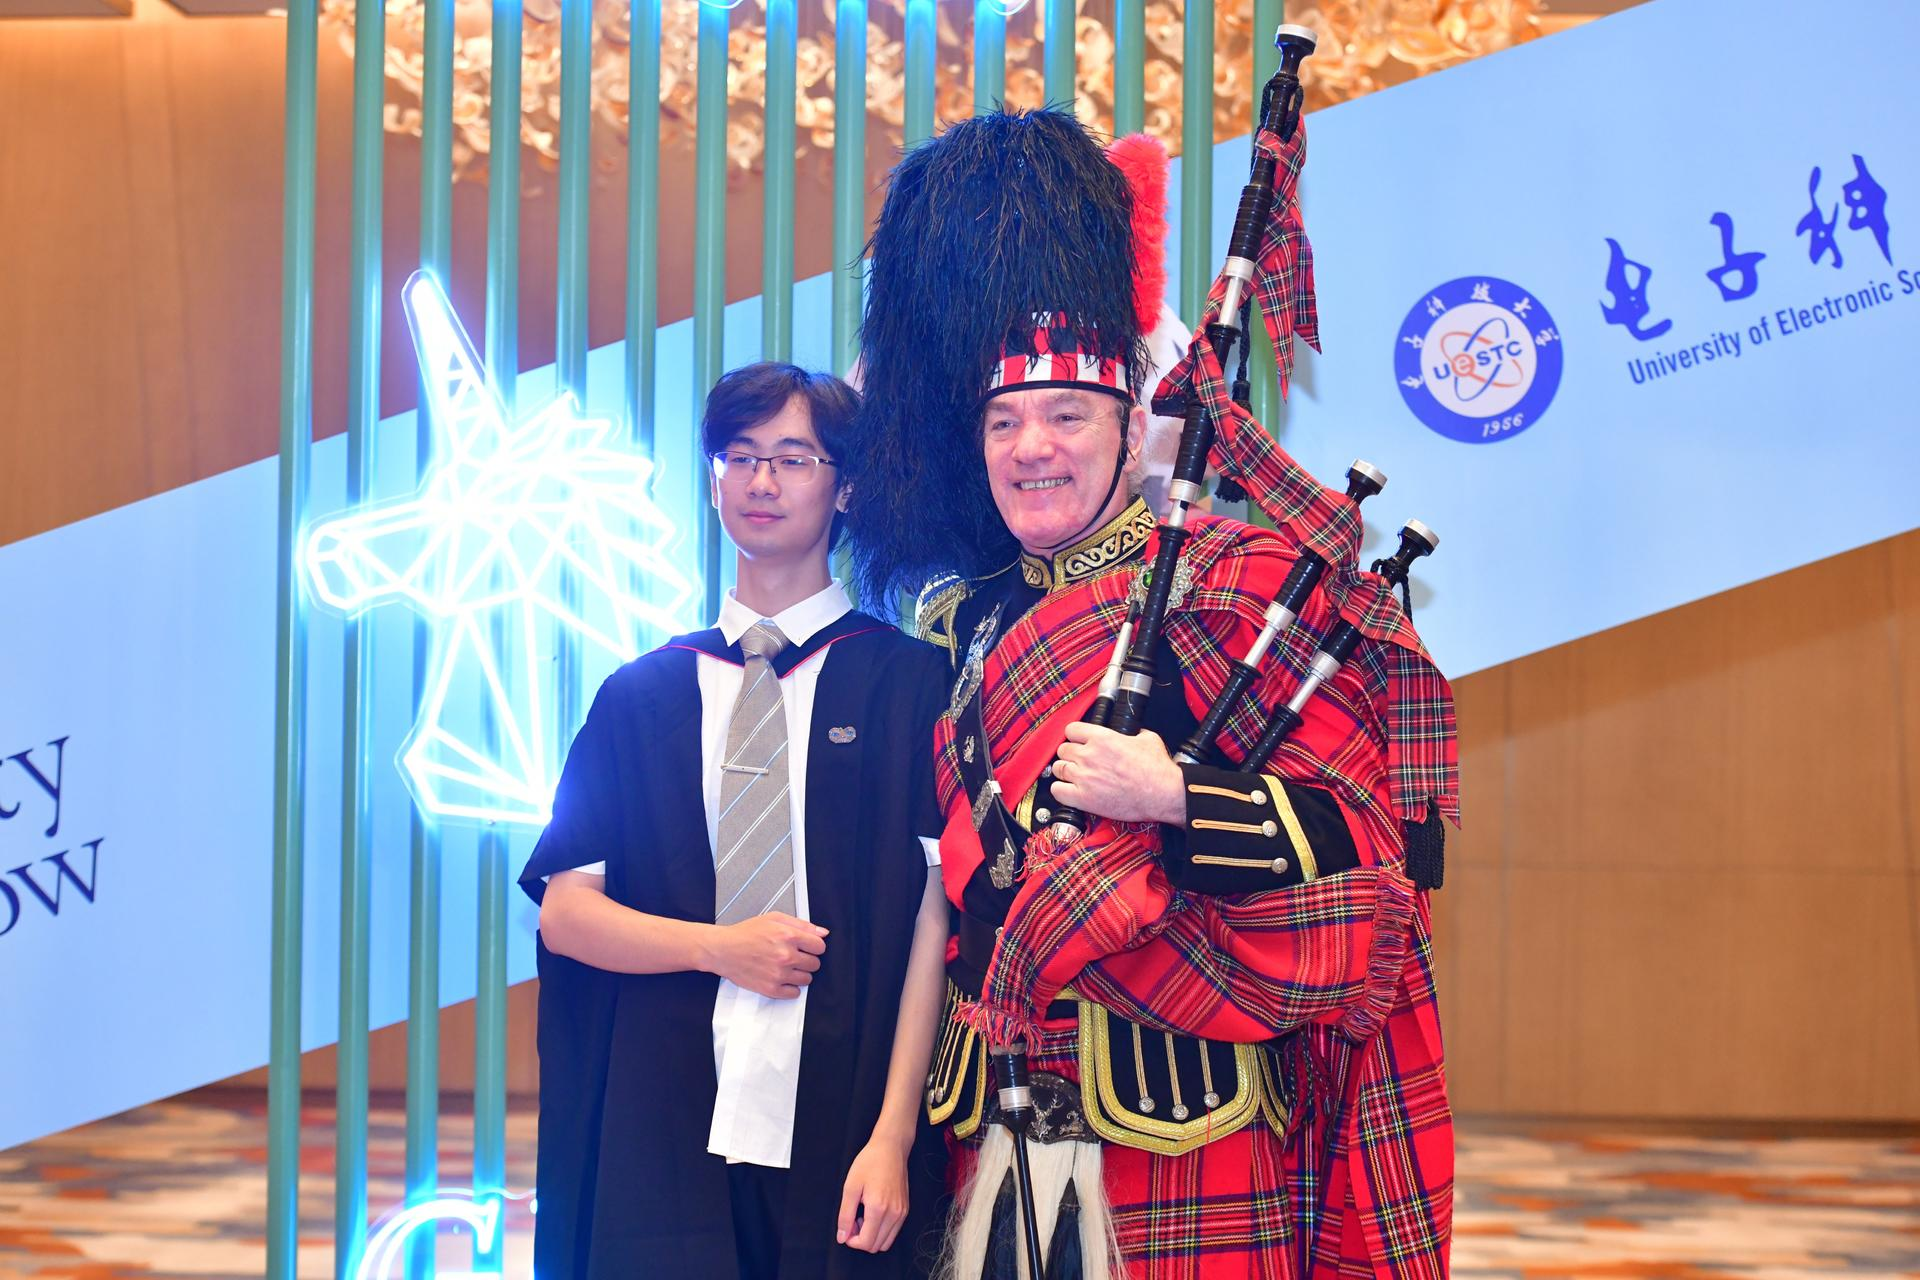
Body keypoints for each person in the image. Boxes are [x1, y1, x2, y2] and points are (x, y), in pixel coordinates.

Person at [842, 108, 1458, 1279]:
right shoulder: (961, 621)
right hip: (999, 1108)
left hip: (1187, 1109)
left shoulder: (1239, 587)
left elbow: (1368, 840)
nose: (1035, 447)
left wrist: (1179, 793)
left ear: (1133, 431)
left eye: (1068, 415)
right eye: (1005, 419)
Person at [519, 362, 952, 1280]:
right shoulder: (642, 694)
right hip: (668, 1113)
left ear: (847, 488)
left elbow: (934, 916)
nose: (762, 482)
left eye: (794, 459)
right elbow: (565, 912)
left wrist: (894, 1134)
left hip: (841, 1116)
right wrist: (719, 947)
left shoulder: (907, 684)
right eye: (740, 456)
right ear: (712, 478)